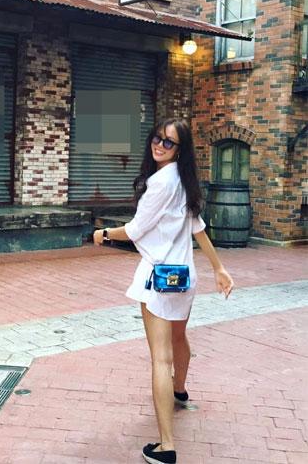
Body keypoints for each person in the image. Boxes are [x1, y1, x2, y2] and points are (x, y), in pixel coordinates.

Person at [93, 118, 234, 464]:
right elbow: (198, 228)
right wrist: (218, 268)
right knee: (179, 337)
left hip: (158, 278)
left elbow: (135, 230)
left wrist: (104, 234)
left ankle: (166, 447)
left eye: (169, 142)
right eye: (157, 138)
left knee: (160, 358)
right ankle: (179, 390)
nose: (159, 145)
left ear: (179, 149)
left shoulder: (160, 183)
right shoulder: (184, 181)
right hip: (184, 277)